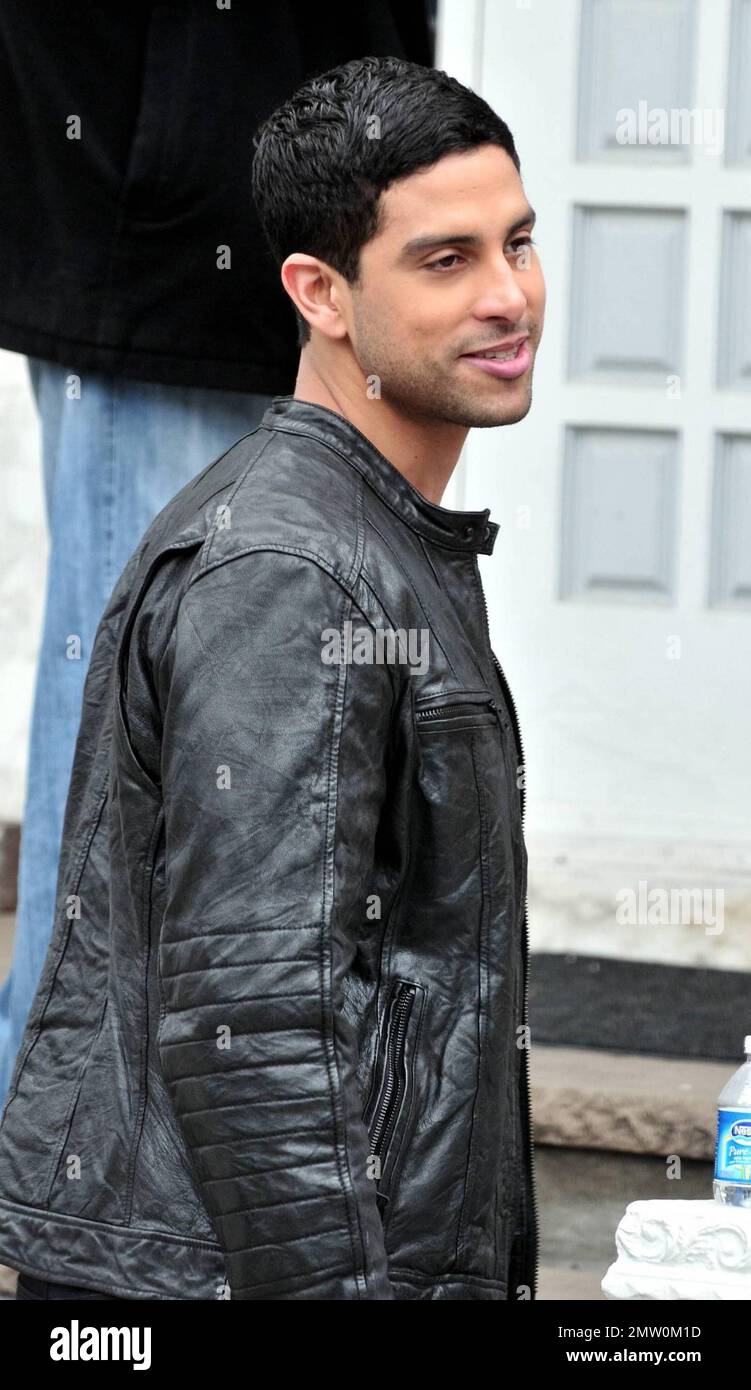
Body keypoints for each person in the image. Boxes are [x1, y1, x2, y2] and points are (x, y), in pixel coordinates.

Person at [0, 54, 544, 1300]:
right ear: (320, 292)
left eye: (517, 242)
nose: (509, 296)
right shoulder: (291, 573)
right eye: (444, 260)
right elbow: (256, 1030)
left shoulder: (372, 535)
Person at [0, 0, 434, 1114]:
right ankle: (74, 1167)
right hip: (158, 235)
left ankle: (242, 1152)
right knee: (143, 721)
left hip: (341, 239)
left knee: (307, 713)